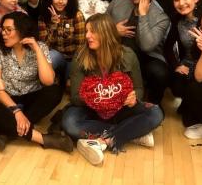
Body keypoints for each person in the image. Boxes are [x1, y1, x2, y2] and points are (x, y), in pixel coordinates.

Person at [62, 13, 163, 166]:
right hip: (92, 110)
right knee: (69, 123)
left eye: (92, 31)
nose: (87, 35)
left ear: (106, 33)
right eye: (87, 31)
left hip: (121, 110)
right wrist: (96, 97)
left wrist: (134, 98)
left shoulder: (128, 55)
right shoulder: (81, 56)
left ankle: (103, 140)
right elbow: (75, 97)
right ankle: (132, 133)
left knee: (156, 113)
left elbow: (139, 88)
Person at [0, 12, 73, 153]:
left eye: (9, 30)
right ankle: (44, 139)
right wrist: (16, 111)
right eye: (3, 29)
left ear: (22, 30)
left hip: (31, 95)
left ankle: (9, 132)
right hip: (9, 99)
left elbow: (48, 80)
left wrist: (37, 49)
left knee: (54, 91)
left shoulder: (40, 47)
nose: (4, 33)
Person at [106, 0, 170, 105]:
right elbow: (99, 27)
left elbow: (147, 46)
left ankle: (152, 104)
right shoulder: (117, 3)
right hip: (118, 55)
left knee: (160, 73)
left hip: (147, 58)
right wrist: (113, 31)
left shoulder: (161, 17)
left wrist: (142, 14)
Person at [164, 0, 202, 138]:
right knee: (175, 83)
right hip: (187, 66)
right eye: (176, 0)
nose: (181, 3)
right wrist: (177, 65)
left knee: (188, 121)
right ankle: (187, 102)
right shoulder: (177, 21)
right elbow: (167, 47)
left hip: (201, 68)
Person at [38, 0, 85, 81]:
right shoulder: (43, 16)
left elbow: (80, 47)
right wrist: (54, 25)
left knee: (70, 82)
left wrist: (73, 70)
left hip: (73, 59)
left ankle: (64, 79)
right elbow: (44, 46)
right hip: (56, 56)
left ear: (69, 0)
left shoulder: (77, 15)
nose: (60, 1)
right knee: (50, 56)